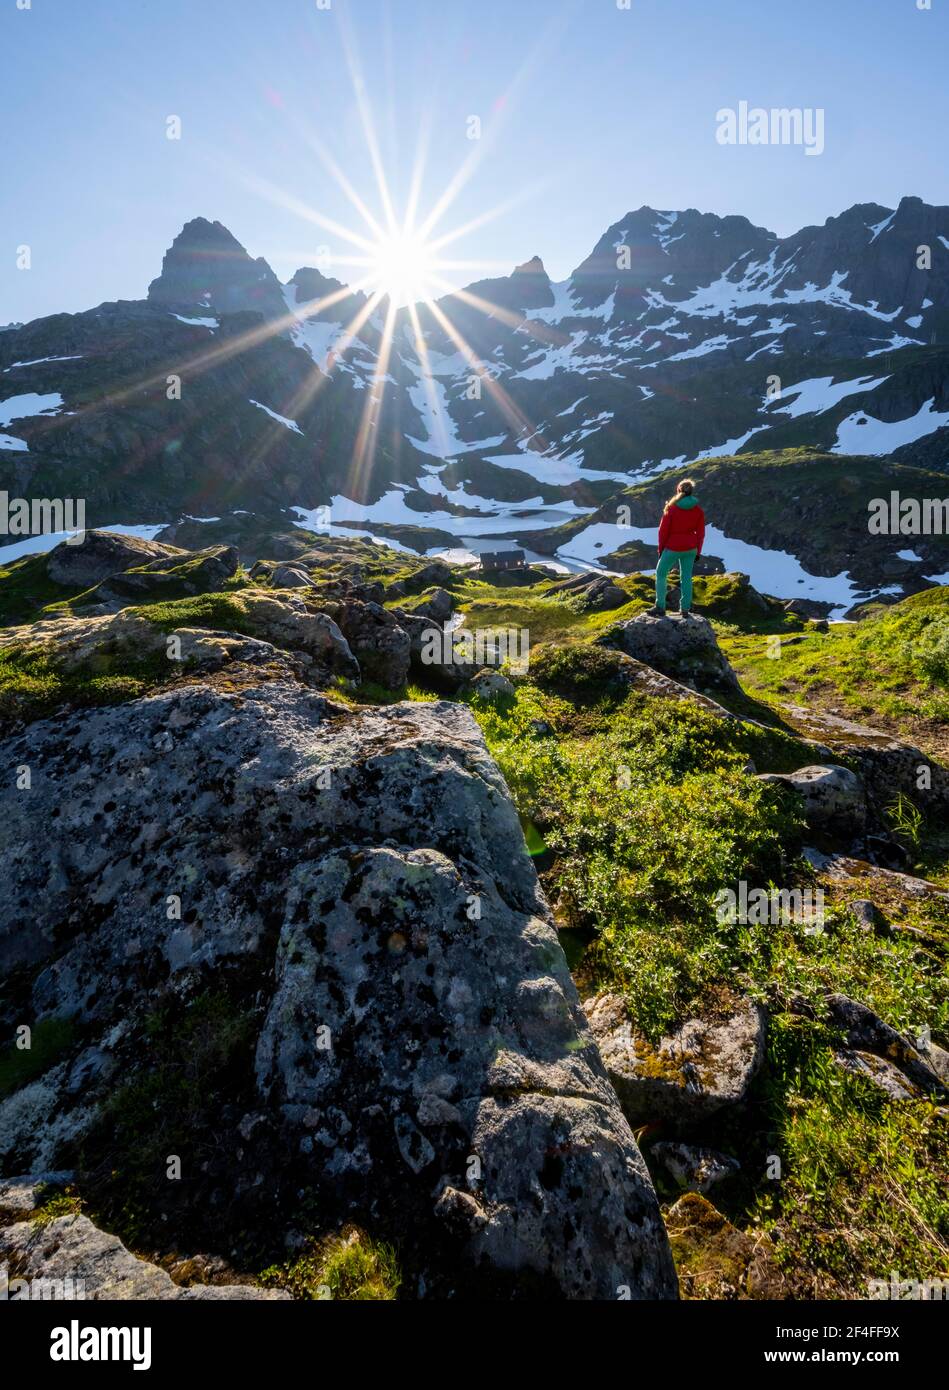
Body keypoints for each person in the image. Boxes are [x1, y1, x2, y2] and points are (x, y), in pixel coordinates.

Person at [648, 478, 705, 617]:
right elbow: (701, 534)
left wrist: (661, 550)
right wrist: (698, 550)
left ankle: (660, 607)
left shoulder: (671, 508)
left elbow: (663, 531)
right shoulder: (698, 510)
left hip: (672, 547)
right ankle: (685, 609)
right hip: (691, 547)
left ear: (678, 490)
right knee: (686, 576)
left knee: (661, 573)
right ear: (691, 491)